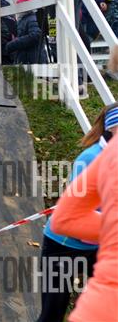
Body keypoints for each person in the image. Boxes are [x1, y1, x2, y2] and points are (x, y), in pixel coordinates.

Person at [36, 104, 118, 322]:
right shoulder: (89, 158)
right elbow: (75, 211)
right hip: (63, 246)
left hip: (96, 246)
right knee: (52, 313)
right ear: (112, 128)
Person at [4, 0, 48, 65]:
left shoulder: (32, 18)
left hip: (33, 60)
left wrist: (13, 44)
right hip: (30, 59)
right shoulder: (25, 19)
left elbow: (36, 35)